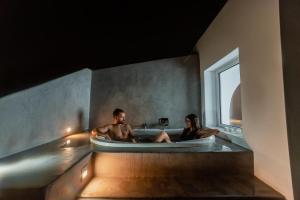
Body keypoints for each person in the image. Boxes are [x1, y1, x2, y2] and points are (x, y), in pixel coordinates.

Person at [90, 108, 171, 143]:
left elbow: (133, 137)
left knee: (163, 133)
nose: (124, 119)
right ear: (115, 117)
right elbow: (94, 131)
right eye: (122, 117)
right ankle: (173, 146)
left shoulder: (127, 126)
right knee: (163, 135)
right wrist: (105, 135)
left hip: (141, 143)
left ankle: (174, 145)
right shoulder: (109, 127)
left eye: (124, 117)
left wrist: (136, 142)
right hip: (133, 144)